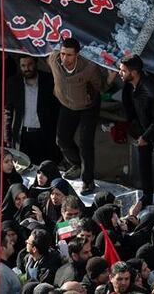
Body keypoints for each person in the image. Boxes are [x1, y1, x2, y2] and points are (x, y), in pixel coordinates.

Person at [47, 37, 108, 192]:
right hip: (67, 104)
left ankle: (87, 180)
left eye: (69, 55)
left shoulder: (89, 67)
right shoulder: (53, 59)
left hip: (88, 106)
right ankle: (77, 164)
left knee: (85, 143)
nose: (64, 58)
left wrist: (111, 76)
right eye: (62, 54)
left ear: (77, 55)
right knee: (62, 140)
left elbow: (101, 86)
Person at [118, 54, 154, 204]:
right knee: (144, 165)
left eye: (123, 70)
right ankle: (147, 197)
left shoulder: (150, 90)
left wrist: (146, 136)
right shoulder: (128, 86)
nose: (120, 73)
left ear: (134, 72)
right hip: (142, 129)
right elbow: (130, 111)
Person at [5, 54, 59, 164]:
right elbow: (8, 110)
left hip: (44, 134)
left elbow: (57, 108)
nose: (27, 68)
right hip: (22, 135)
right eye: (23, 66)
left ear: (36, 63)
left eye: (29, 65)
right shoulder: (14, 82)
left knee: (45, 168)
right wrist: (7, 135)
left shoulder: (49, 80)